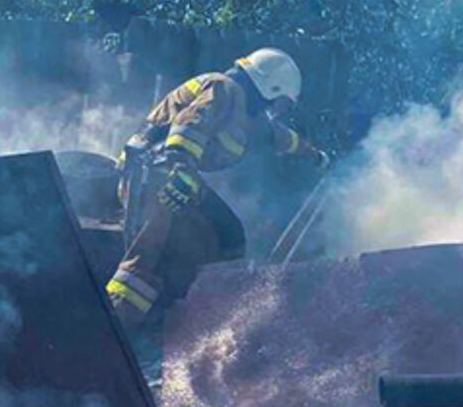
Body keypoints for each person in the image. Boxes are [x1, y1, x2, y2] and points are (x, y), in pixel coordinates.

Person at [106, 47, 329, 325]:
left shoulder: (250, 115)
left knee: (229, 234)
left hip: (180, 178)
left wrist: (315, 156)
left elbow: (281, 138)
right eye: (281, 102)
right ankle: (114, 323)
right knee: (148, 253)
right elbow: (190, 125)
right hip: (154, 172)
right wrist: (182, 167)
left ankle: (198, 318)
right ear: (270, 87)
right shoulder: (223, 87)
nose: (280, 110)